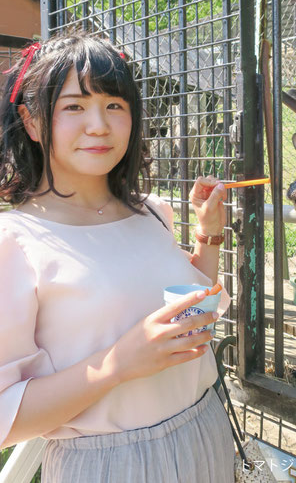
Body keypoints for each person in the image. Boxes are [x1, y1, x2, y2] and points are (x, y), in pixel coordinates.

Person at [0, 33, 235, 482]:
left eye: (114, 105)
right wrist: (117, 364)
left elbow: (190, 312)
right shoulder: (15, 242)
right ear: (31, 122)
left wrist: (209, 236)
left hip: (206, 431)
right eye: (74, 107)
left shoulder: (151, 213)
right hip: (110, 465)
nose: (99, 126)